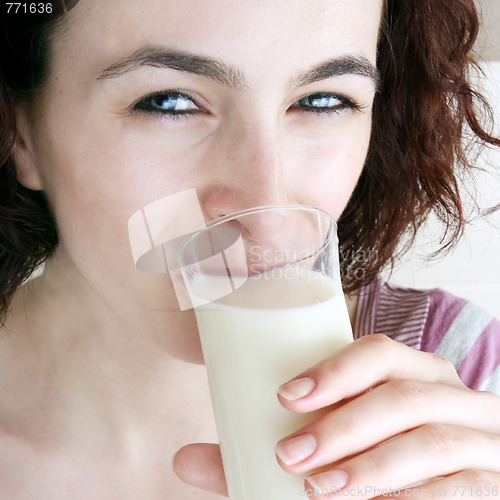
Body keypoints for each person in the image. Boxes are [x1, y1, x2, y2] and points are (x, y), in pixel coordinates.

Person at [0, 0, 499, 498]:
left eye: (324, 100)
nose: (268, 210)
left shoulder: (470, 379)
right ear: (19, 133)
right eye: (169, 101)